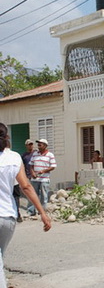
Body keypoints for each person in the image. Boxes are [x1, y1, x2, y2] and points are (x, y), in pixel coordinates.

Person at [0, 123, 51, 288]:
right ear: (7, 138)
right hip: (7, 217)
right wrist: (42, 212)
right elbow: (26, 186)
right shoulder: (14, 157)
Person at [27, 139, 56, 216]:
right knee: (33, 194)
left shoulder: (50, 155)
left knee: (44, 196)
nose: (38, 146)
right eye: (38, 144)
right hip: (35, 179)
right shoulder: (35, 154)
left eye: (40, 144)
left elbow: (53, 166)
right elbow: (31, 164)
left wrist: (44, 171)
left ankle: (42, 212)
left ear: (45, 146)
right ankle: (31, 211)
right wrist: (32, 172)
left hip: (44, 179)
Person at [15, 140, 35, 223]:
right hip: (27, 176)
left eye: (31, 144)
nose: (30, 146)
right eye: (28, 145)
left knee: (38, 193)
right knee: (30, 193)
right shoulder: (24, 155)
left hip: (36, 176)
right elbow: (22, 166)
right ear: (26, 146)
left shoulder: (36, 154)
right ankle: (31, 210)